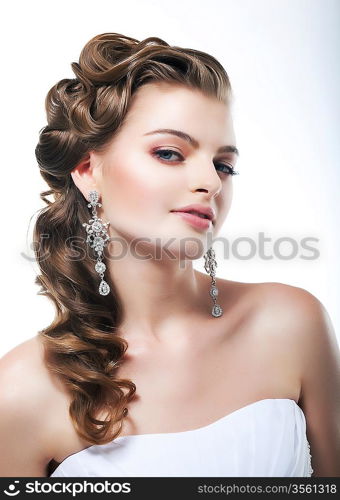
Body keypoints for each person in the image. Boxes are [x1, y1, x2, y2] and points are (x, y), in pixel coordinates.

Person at [0, 32, 339, 478]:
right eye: (169, 153)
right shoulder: (22, 390)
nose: (211, 182)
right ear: (87, 170)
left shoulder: (291, 322)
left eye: (224, 164)